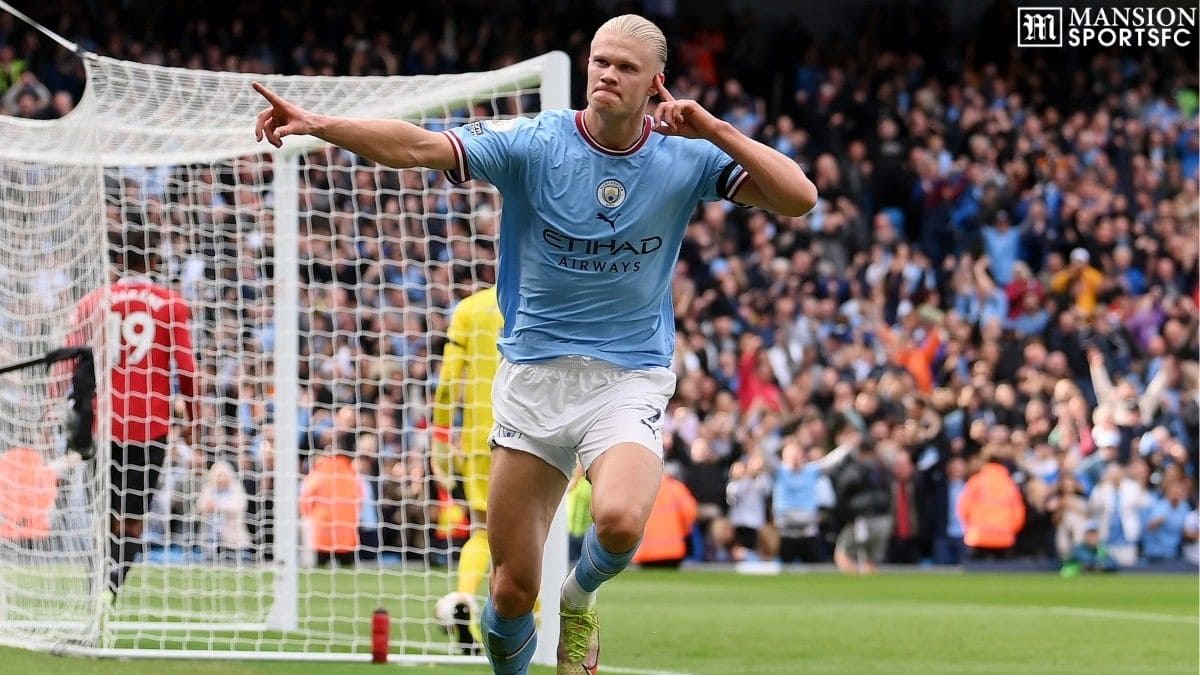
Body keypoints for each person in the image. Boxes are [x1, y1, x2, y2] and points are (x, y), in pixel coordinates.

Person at [253, 13, 816, 674]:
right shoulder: (535, 142)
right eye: (600, 60)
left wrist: (715, 129)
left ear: (655, 84)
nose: (607, 73)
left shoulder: (684, 154)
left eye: (625, 67)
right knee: (511, 590)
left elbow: (799, 198)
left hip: (626, 376)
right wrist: (320, 124)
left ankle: (578, 598)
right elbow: (417, 146)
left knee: (621, 518)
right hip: (532, 379)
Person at [70, 227, 198, 601]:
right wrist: (194, 420)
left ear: (117, 260)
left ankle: (98, 589)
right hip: (151, 424)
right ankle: (110, 589)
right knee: (134, 519)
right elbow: (187, 370)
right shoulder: (171, 304)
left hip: (104, 423)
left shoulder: (93, 302)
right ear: (156, 260)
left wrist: (60, 415)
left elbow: (70, 363)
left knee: (105, 514)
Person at [430, 283, 504, 652]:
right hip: (536, 431)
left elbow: (447, 384)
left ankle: (463, 598)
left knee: (482, 529)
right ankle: (533, 615)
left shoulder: (470, 309)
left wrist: (441, 436)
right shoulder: (544, 297)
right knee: (531, 533)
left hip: (480, 434)